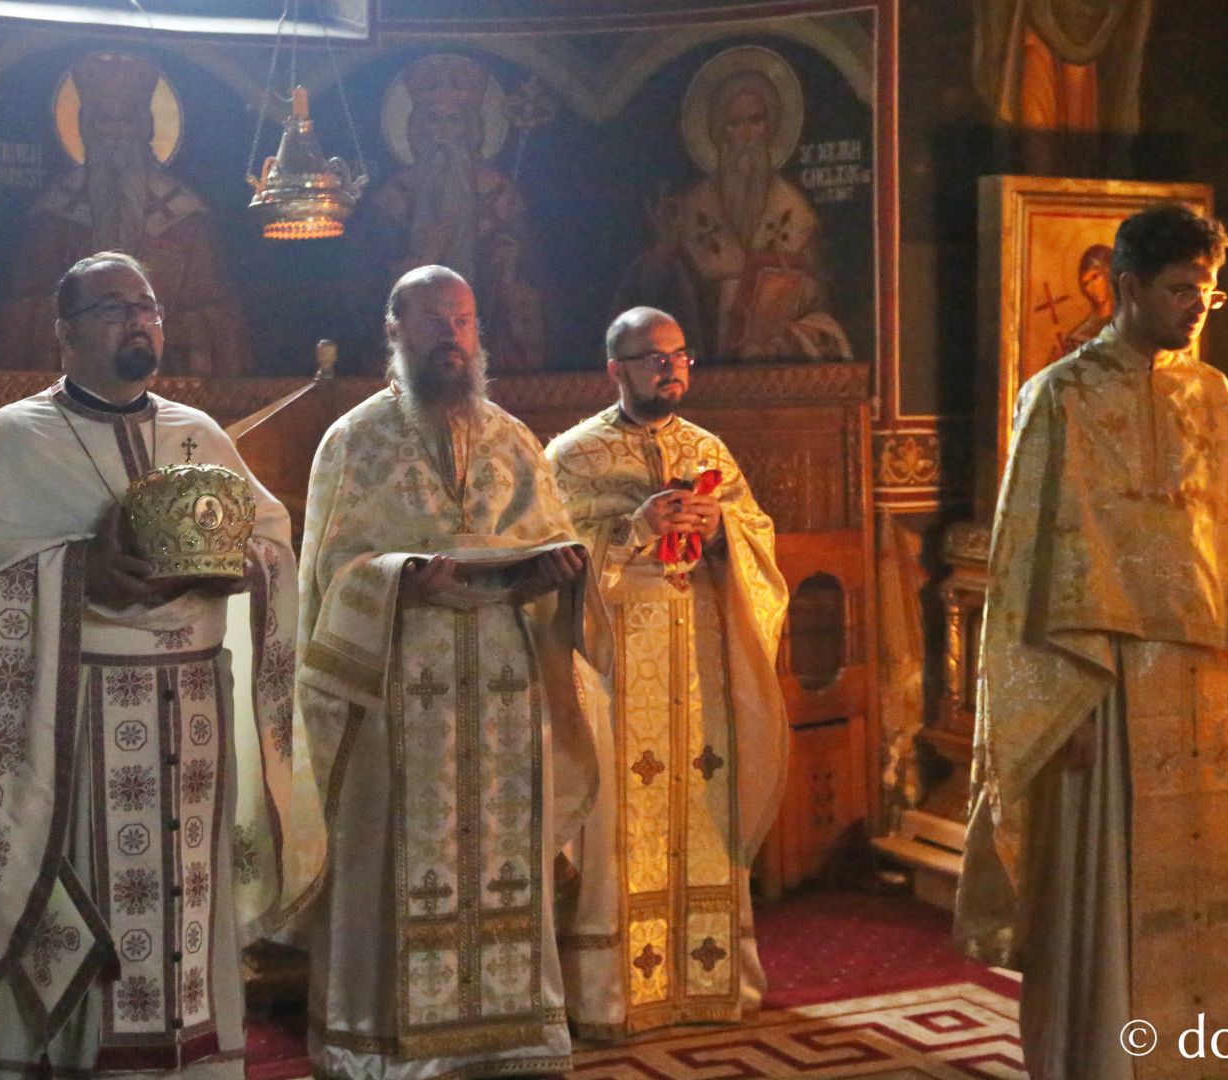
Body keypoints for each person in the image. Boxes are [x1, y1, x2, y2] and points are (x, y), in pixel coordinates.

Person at [0, 251, 321, 1077]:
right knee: (93, 913)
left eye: (150, 306)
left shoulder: (198, 434)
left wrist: (247, 565)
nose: (139, 321)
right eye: (113, 308)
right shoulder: (12, 439)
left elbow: (271, 540)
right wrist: (78, 575)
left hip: (194, 717)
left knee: (188, 917)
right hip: (78, 727)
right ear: (63, 332)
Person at [954, 204, 1228, 1080]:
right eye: (1179, 290)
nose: (1197, 307)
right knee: (1114, 887)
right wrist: (1062, 701)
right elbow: (1031, 563)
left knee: (1213, 886)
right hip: (1111, 682)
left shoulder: (1209, 394)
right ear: (1127, 287)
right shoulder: (1058, 397)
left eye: (1207, 291)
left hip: (1203, 678)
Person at [297, 265, 607, 1079]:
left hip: (504, 686)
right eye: (433, 321)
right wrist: (399, 576)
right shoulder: (353, 441)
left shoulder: (512, 437)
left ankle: (511, 1033)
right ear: (394, 332)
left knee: (504, 857)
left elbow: (550, 535)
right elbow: (328, 573)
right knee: (397, 857)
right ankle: (385, 1042)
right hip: (398, 686)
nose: (452, 337)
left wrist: (553, 577)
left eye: (464, 321)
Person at [546, 307, 788, 1039]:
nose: (670, 368)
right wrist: (635, 528)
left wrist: (722, 536)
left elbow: (759, 538)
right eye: (652, 358)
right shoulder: (572, 457)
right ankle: (612, 995)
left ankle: (709, 977)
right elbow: (554, 557)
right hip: (617, 661)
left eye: (680, 356)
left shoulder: (709, 447)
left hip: (702, 659)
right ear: (614, 368)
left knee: (706, 802)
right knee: (620, 814)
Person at [0, 52, 252, 374]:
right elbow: (21, 315)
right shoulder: (54, 215)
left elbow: (220, 318)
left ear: (145, 126)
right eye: (104, 120)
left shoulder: (186, 217)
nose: (115, 133)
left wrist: (160, 328)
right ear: (85, 128)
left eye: (126, 120)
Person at [617, 48, 850, 364]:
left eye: (756, 121)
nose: (746, 135)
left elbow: (820, 304)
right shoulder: (689, 210)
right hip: (701, 377)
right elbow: (646, 303)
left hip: (774, 371)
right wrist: (665, 252)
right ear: (718, 131)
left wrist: (782, 342)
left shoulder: (797, 213)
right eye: (734, 123)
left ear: (770, 126)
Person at [371, 54, 550, 371]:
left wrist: (506, 264)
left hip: (484, 326)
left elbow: (530, 271)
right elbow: (367, 280)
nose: (442, 133)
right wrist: (423, 257)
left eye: (453, 120)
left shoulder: (499, 193)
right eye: (432, 119)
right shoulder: (393, 197)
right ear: (416, 125)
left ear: (470, 127)